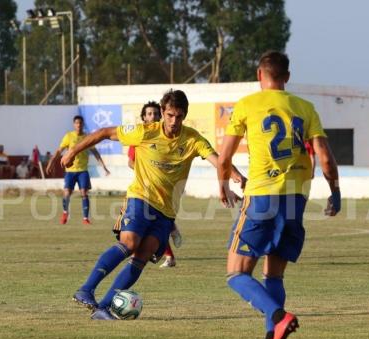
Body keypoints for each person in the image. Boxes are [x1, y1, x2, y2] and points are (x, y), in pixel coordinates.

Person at [61, 89, 245, 320]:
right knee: (129, 242)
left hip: (166, 210)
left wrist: (235, 176)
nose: (174, 121)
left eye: (179, 116)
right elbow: (104, 133)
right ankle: (86, 289)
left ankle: (104, 309)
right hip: (141, 197)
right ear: (162, 112)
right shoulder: (145, 132)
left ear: (184, 115)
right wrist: (72, 152)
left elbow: (217, 159)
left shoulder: (193, 139)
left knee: (143, 255)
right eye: (169, 115)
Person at [217, 51, 341, 339]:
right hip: (295, 201)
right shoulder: (305, 108)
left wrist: (222, 186)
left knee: (235, 273)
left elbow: (225, 157)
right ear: (287, 76)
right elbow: (324, 156)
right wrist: (335, 191)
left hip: (261, 196)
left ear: (260, 75)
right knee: (273, 274)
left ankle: (278, 316)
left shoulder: (246, 105)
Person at [126, 101, 182, 268]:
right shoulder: (139, 136)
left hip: (164, 187)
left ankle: (170, 232)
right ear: (143, 118)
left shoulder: (168, 136)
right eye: (149, 114)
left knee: (154, 223)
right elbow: (131, 162)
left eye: (156, 114)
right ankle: (169, 248)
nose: (153, 117)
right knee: (153, 224)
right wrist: (146, 169)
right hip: (144, 187)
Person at [46, 115, 111, 225]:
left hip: (82, 170)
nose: (78, 125)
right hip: (70, 170)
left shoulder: (87, 137)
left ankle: (85, 219)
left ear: (83, 124)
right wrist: (52, 162)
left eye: (80, 123)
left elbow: (95, 153)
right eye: (77, 123)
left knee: (84, 193)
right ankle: (65, 212)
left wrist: (103, 166)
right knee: (67, 192)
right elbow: (59, 151)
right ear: (74, 124)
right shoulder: (69, 136)